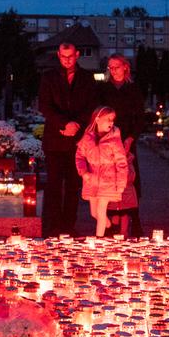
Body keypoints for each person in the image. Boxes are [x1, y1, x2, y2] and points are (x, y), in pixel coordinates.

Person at [38, 42, 98, 236]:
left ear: (77, 54)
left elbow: (91, 106)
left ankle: (68, 226)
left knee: (73, 184)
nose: (67, 60)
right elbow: (45, 106)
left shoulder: (87, 78)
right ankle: (52, 225)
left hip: (77, 141)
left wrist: (77, 125)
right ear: (58, 55)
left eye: (70, 56)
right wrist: (64, 124)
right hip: (55, 139)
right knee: (54, 183)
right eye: (63, 57)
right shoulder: (48, 77)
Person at [99, 54, 147, 236]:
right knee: (110, 180)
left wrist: (131, 138)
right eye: (110, 67)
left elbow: (140, 117)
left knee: (130, 181)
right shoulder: (104, 89)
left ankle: (134, 218)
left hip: (127, 140)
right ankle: (112, 219)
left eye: (116, 67)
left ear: (125, 67)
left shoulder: (133, 89)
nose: (113, 70)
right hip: (108, 141)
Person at [75, 106, 130, 237]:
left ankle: (98, 239)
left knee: (101, 210)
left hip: (108, 180)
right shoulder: (87, 138)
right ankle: (110, 226)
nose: (111, 123)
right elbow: (79, 156)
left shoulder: (114, 140)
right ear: (98, 119)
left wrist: (121, 183)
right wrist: (84, 172)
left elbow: (122, 163)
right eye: (108, 119)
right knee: (94, 213)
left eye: (113, 120)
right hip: (92, 180)